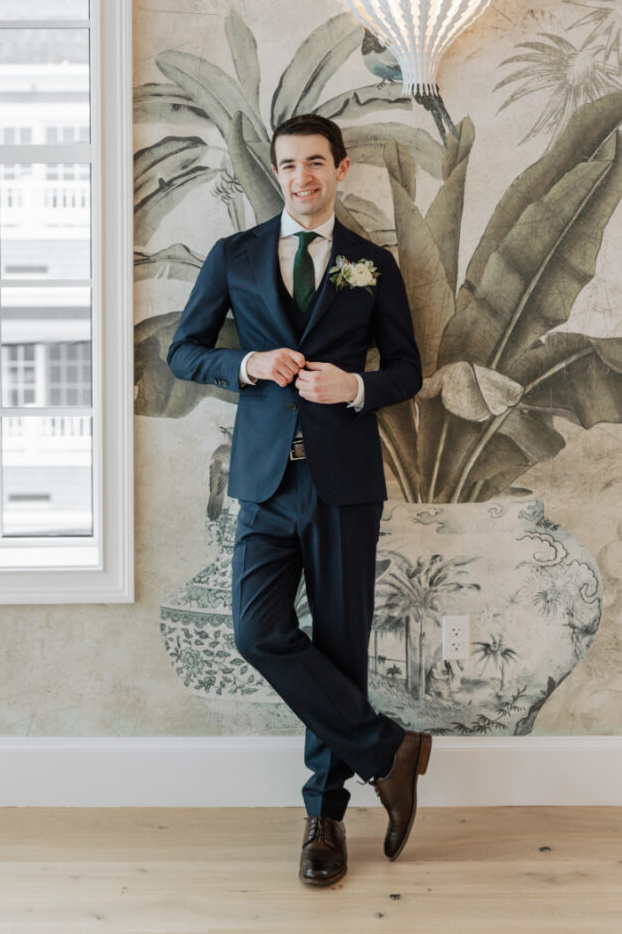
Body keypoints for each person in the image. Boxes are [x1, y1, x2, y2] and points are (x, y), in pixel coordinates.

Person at [167, 113, 432, 887]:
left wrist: (356, 386)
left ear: (339, 169)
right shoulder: (235, 255)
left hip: (344, 482)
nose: (301, 178)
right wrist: (246, 363)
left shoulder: (371, 263)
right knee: (258, 631)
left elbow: (408, 369)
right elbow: (183, 351)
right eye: (288, 165)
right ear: (276, 171)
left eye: (315, 163)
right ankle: (387, 749)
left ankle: (325, 816)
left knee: (342, 646)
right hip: (263, 482)